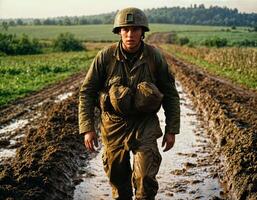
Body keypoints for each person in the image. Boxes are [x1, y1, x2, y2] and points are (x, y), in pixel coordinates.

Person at [79, 7, 180, 200]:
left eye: (135, 29)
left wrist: (171, 129)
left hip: (145, 124)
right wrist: (87, 128)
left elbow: (170, 94)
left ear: (143, 32)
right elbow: (87, 92)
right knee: (118, 180)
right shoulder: (105, 57)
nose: (130, 34)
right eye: (125, 29)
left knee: (145, 178)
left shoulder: (154, 57)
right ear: (119, 32)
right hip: (113, 124)